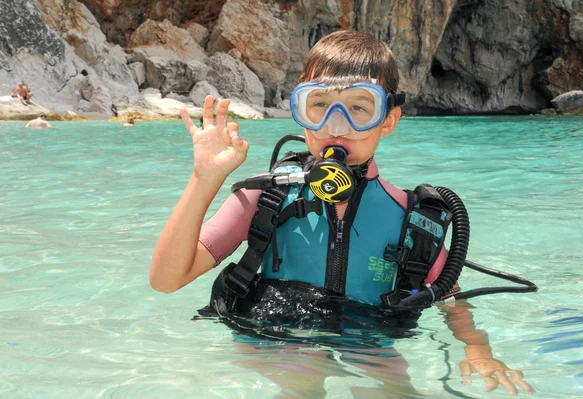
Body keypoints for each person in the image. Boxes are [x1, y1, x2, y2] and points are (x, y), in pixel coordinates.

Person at [150, 30, 534, 396]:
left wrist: (477, 350)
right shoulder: (266, 198)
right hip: (275, 333)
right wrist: (205, 179)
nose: (337, 125)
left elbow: (452, 299)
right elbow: (167, 279)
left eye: (358, 107)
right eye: (319, 104)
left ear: (388, 120)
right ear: (301, 113)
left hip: (367, 336)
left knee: (390, 387)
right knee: (304, 368)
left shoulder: (413, 221)